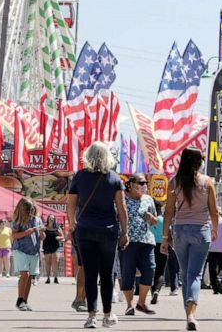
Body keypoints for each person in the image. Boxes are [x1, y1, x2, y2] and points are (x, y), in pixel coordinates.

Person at [67, 141, 129, 329]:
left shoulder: (79, 176)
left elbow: (71, 203)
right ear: (107, 157)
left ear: (88, 156)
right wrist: (125, 232)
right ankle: (108, 314)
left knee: (90, 273)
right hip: (108, 230)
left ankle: (91, 316)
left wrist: (72, 224)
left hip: (84, 230)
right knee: (107, 273)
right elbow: (121, 207)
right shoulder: (114, 178)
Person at [162, 148, 219, 331]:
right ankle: (192, 313)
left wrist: (164, 237)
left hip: (180, 231)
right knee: (195, 274)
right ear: (198, 162)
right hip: (201, 230)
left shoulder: (174, 182)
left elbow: (169, 211)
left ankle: (189, 314)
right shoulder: (207, 182)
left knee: (186, 273)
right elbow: (214, 211)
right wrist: (215, 229)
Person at [121, 173, 158, 317]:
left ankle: (141, 303)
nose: (144, 186)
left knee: (150, 270)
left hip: (146, 240)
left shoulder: (148, 199)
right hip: (128, 241)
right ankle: (129, 305)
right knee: (127, 273)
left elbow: (155, 221)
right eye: (140, 183)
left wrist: (152, 218)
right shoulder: (122, 198)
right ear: (130, 184)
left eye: (145, 183)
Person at [11, 197, 44, 311]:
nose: (31, 212)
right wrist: (27, 232)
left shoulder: (37, 220)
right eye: (29, 209)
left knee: (30, 276)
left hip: (33, 250)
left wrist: (42, 234)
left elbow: (42, 236)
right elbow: (14, 236)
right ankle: (20, 300)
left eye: (32, 209)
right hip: (20, 249)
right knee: (24, 274)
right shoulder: (18, 221)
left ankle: (25, 300)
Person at [150, 202, 168, 305]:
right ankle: (156, 291)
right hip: (162, 245)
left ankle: (151, 291)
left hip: (150, 245)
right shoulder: (163, 220)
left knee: (151, 270)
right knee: (160, 271)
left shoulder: (150, 220)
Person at [43, 215, 63, 283]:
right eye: (50, 218)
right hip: (47, 246)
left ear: (54, 219)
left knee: (56, 261)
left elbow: (62, 237)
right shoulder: (45, 227)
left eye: (53, 218)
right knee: (48, 262)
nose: (51, 219)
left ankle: (56, 277)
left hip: (56, 246)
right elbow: (41, 236)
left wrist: (59, 238)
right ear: (48, 219)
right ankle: (48, 277)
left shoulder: (57, 228)